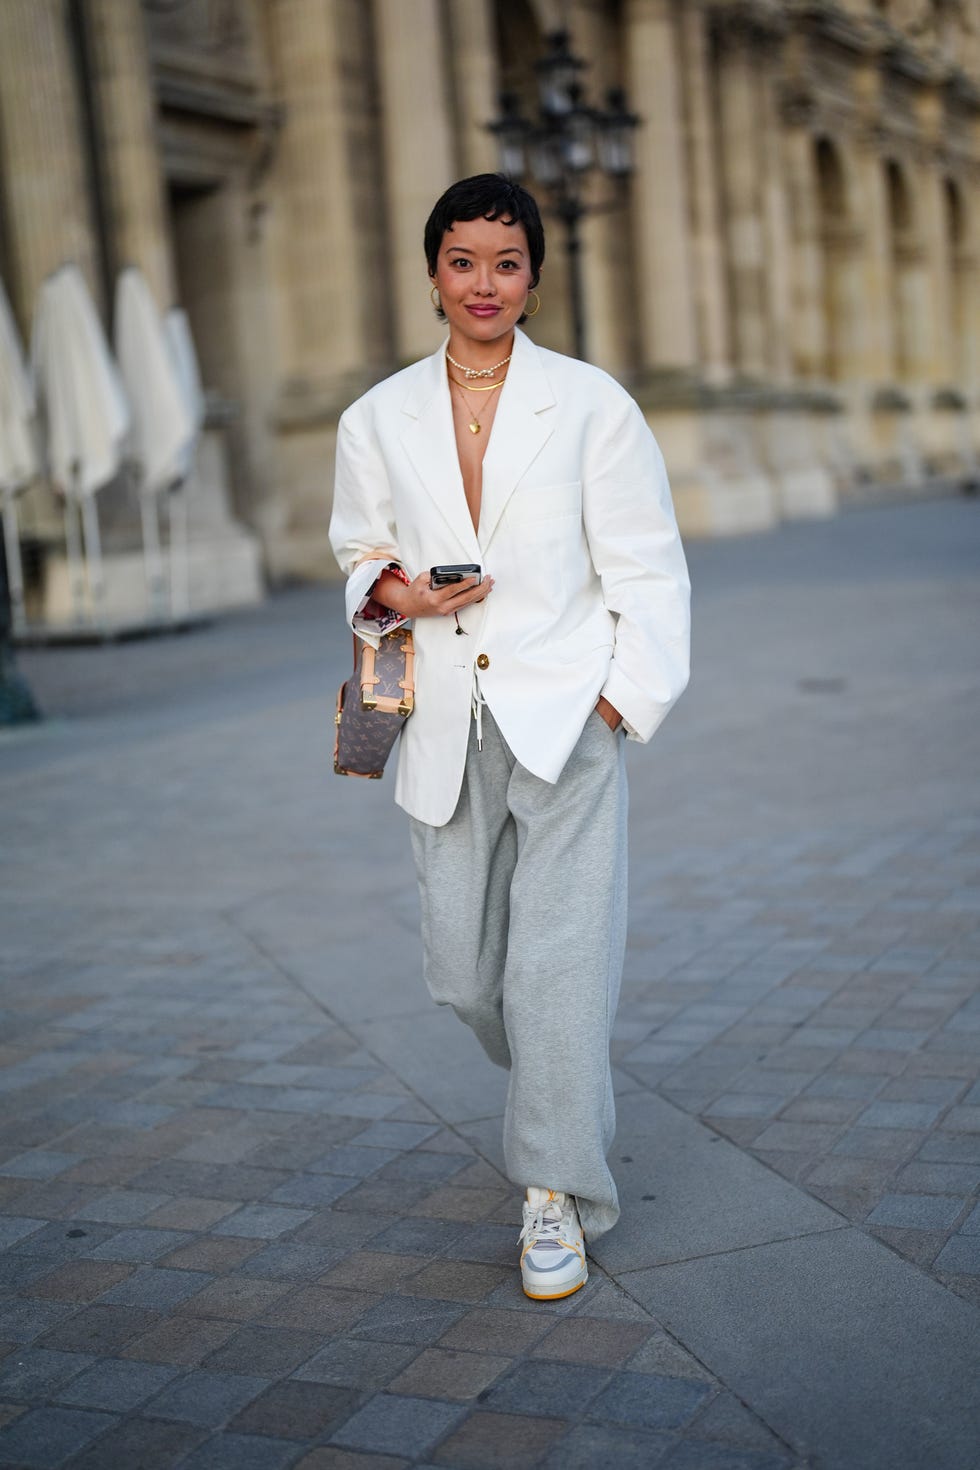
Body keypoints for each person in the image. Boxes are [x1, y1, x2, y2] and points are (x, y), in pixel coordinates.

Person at [329, 174, 690, 1300]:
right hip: (440, 718)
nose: (484, 283)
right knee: (465, 978)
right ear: (431, 270)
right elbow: (358, 555)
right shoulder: (374, 414)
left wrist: (620, 702)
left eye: (507, 262)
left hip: (565, 714)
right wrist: (400, 591)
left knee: (557, 967)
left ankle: (554, 1195)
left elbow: (646, 566)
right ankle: (561, 1079)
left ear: (533, 275)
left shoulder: (591, 404)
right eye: (462, 260)